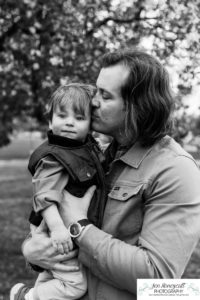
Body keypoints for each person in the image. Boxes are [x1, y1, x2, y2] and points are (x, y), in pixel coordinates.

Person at [11, 49, 200, 300]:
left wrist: (80, 227)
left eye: (105, 95)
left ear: (136, 108)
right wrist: (32, 251)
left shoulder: (176, 169)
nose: (93, 102)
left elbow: (160, 282)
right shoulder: (92, 155)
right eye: (95, 90)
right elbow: (52, 220)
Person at [10, 83, 106, 300]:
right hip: (55, 229)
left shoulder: (80, 147)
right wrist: (57, 229)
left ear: (90, 124)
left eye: (79, 118)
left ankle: (38, 290)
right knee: (74, 285)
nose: (70, 122)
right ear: (50, 120)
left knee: (51, 276)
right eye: (62, 116)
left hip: (62, 230)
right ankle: (26, 296)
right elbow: (44, 197)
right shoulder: (54, 158)